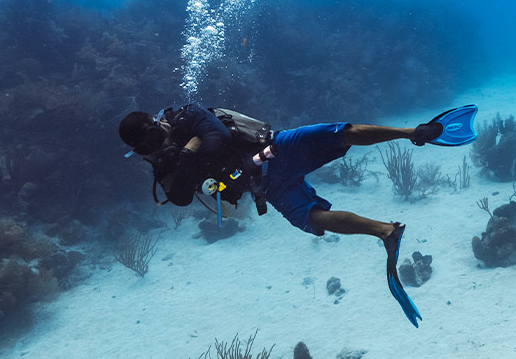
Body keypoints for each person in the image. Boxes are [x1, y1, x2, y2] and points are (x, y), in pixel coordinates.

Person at [118, 103, 478, 325]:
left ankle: (413, 132)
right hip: (265, 187)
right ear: (140, 151)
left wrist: (181, 157)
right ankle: (386, 232)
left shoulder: (188, 117)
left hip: (275, 149)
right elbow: (179, 199)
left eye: (155, 137)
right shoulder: (161, 161)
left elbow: (218, 140)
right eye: (147, 148)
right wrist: (173, 160)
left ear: (157, 122)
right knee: (312, 219)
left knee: (340, 133)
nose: (157, 146)